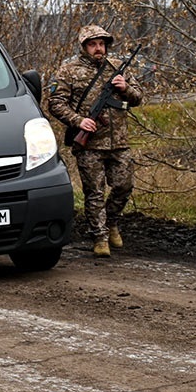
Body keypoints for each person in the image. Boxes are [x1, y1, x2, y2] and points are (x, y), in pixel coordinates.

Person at [48, 25, 143, 257]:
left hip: (118, 141)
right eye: (93, 44)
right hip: (89, 144)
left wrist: (125, 88)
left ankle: (111, 222)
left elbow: (139, 97)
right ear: (84, 47)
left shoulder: (117, 69)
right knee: (95, 192)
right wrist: (78, 121)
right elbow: (56, 103)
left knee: (124, 185)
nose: (98, 48)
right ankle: (99, 237)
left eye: (101, 43)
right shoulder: (68, 71)